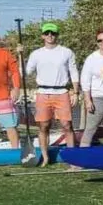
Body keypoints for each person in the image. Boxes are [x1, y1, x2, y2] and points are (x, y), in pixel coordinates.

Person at [24, 23, 79, 166]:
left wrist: (76, 92)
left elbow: (74, 72)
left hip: (62, 92)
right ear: (42, 35)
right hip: (43, 93)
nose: (50, 35)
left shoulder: (66, 52)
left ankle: (72, 159)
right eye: (47, 33)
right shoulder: (36, 54)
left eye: (53, 33)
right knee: (44, 126)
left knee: (67, 125)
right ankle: (45, 157)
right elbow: (26, 72)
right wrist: (19, 54)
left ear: (57, 35)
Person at [0, 30, 22, 149]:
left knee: (10, 126)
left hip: (3, 97)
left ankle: (15, 152)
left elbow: (15, 71)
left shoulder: (4, 54)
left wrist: (16, 88)